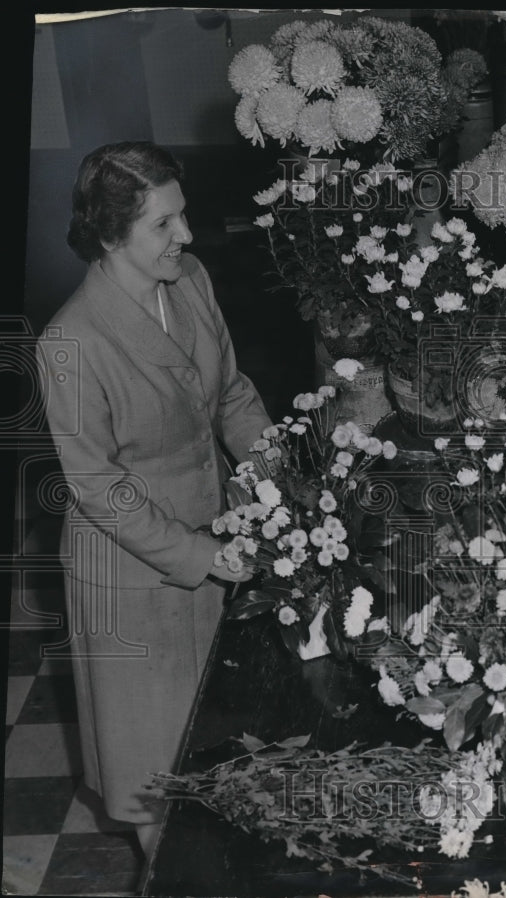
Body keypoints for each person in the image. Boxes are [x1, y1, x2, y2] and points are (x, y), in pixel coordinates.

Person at [35, 142, 273, 858]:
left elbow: (231, 395)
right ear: (112, 235)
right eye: (163, 225)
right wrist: (204, 554)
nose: (187, 236)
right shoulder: (69, 343)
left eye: (184, 216)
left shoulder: (191, 280)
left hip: (218, 537)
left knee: (225, 752)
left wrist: (281, 478)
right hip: (131, 577)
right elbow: (99, 488)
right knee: (155, 776)